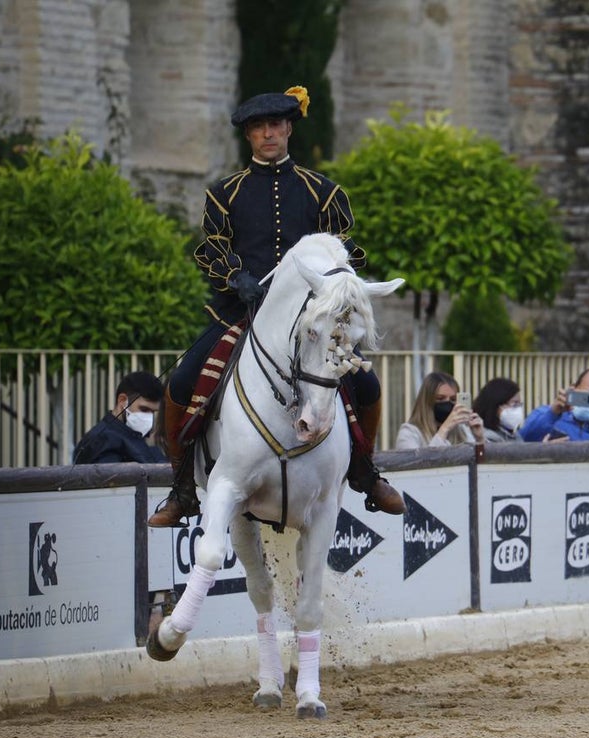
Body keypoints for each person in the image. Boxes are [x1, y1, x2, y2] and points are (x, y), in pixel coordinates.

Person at [148, 86, 405, 527]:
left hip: (311, 318)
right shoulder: (223, 193)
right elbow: (209, 251)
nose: (268, 134)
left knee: (367, 387)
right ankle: (182, 489)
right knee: (183, 381)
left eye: (275, 125)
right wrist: (236, 278)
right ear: (248, 136)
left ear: (288, 128)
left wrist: (339, 274)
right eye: (258, 128)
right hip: (239, 312)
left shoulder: (323, 192)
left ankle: (364, 471)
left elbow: (347, 251)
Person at [73, 371, 167, 464]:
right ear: (122, 401)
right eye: (143, 409)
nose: (148, 418)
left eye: (153, 412)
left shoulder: (134, 436)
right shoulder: (104, 440)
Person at [519, 368, 589, 442]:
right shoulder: (543, 414)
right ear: (573, 389)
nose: (588, 403)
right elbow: (522, 441)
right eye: (584, 395)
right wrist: (553, 414)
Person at [394, 372, 486, 449]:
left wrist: (480, 438)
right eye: (440, 398)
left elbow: (483, 464)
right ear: (426, 401)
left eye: (453, 399)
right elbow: (421, 467)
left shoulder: (462, 430)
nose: (447, 403)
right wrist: (444, 429)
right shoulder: (409, 433)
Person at [473, 377, 525, 443]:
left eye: (519, 404)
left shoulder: (515, 435)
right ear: (496, 405)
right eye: (514, 403)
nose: (518, 409)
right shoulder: (486, 437)